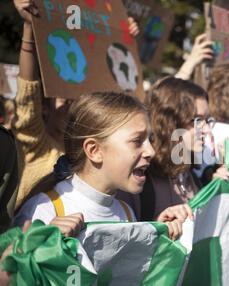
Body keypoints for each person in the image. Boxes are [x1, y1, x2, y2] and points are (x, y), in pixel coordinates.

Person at [11, 0, 140, 211]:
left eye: (77, 102)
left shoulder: (99, 154)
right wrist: (28, 27)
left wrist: (125, 40)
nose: (72, 107)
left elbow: (120, 99)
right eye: (64, 101)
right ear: (45, 108)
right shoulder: (36, 145)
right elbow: (27, 94)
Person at [14, 92, 185, 240]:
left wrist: (156, 234)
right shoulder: (44, 210)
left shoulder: (126, 212)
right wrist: (47, 244)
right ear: (94, 150)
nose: (151, 151)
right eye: (137, 141)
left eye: (150, 139)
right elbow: (16, 274)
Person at [140, 77, 229, 221]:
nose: (206, 130)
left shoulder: (189, 175)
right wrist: (159, 225)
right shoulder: (141, 179)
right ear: (170, 122)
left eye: (207, 120)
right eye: (197, 121)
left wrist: (213, 190)